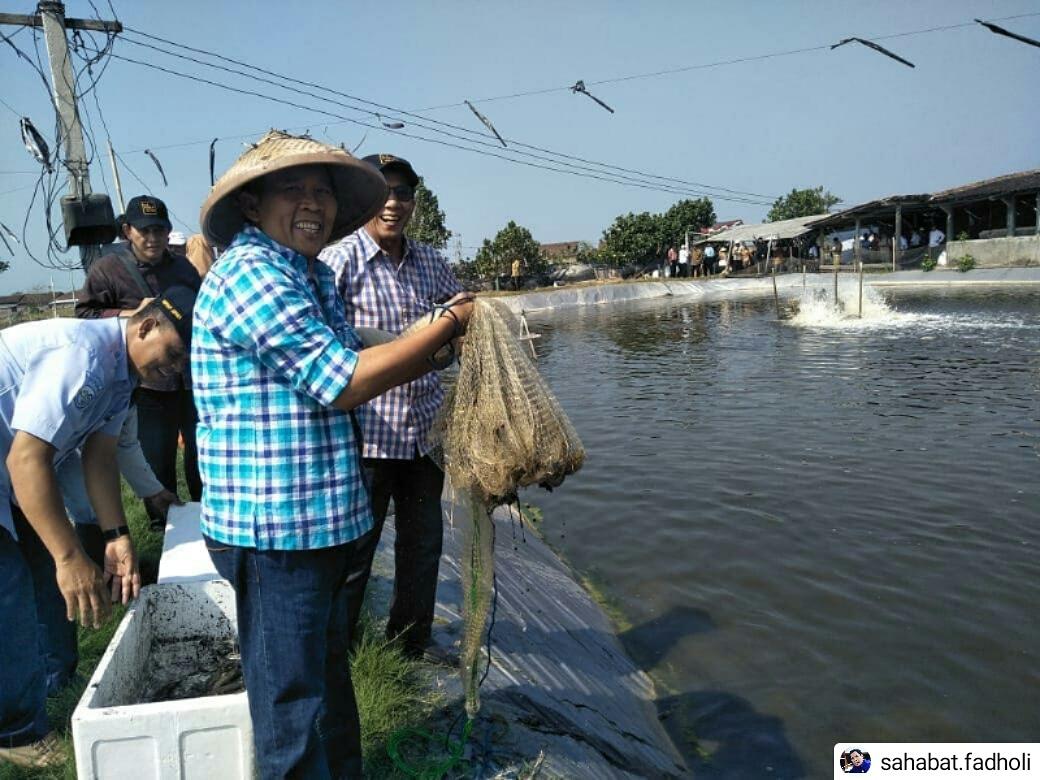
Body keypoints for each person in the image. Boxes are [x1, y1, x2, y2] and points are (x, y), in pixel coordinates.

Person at [193, 132, 474, 779]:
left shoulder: (308, 273)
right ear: (252, 205)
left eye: (323, 189)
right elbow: (342, 377)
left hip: (316, 521)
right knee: (292, 701)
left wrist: (432, 339)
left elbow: (358, 341)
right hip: (275, 532)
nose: (313, 202)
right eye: (293, 188)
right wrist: (448, 326)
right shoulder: (253, 276)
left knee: (327, 682)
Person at [0, 288, 194, 770]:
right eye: (171, 354)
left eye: (182, 363)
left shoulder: (120, 377)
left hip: (12, 473)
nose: (173, 370)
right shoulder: (83, 354)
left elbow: (100, 456)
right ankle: (15, 731)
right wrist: (71, 558)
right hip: (15, 469)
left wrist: (115, 537)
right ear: (145, 326)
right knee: (11, 593)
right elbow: (28, 459)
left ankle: (49, 684)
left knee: (46, 581)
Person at [320, 153, 465, 661]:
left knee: (422, 547)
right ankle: (341, 652)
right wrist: (420, 345)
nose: (393, 202)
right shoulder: (337, 263)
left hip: (424, 433)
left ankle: (409, 645)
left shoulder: (430, 262)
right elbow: (327, 349)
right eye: (382, 191)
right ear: (361, 200)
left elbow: (462, 313)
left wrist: (448, 336)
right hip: (366, 436)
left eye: (403, 192)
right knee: (355, 552)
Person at [76, 195, 203, 528]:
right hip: (146, 382)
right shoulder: (108, 269)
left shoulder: (182, 267)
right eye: (144, 230)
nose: (153, 239)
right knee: (155, 456)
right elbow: (85, 315)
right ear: (127, 230)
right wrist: (132, 314)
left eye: (160, 230)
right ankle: (164, 525)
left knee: (200, 453)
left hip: (188, 377)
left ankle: (205, 515)